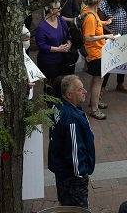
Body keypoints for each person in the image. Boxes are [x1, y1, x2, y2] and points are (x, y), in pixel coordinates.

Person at [48, 75, 95, 209]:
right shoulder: (71, 119)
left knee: (66, 205)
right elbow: (74, 150)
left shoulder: (59, 107)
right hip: (72, 176)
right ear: (69, 94)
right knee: (79, 209)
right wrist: (81, 174)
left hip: (62, 170)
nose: (85, 91)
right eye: (80, 90)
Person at [82, 0, 115, 120]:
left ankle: (93, 101)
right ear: (97, 0)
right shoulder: (90, 16)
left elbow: (94, 22)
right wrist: (106, 36)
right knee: (97, 80)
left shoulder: (88, 11)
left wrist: (104, 23)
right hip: (95, 53)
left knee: (96, 79)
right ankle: (94, 108)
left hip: (97, 52)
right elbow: (88, 37)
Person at [99, 0, 127, 94]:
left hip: (125, 37)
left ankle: (120, 84)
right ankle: (102, 87)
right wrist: (111, 33)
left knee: (123, 62)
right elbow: (100, 23)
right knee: (108, 64)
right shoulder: (104, 4)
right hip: (110, 38)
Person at [35, 0, 73, 83]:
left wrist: (68, 44)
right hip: (49, 62)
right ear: (51, 10)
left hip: (63, 60)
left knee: (62, 85)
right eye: (58, 7)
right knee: (51, 87)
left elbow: (67, 36)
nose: (60, 9)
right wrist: (58, 49)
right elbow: (42, 46)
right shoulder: (41, 27)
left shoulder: (61, 20)